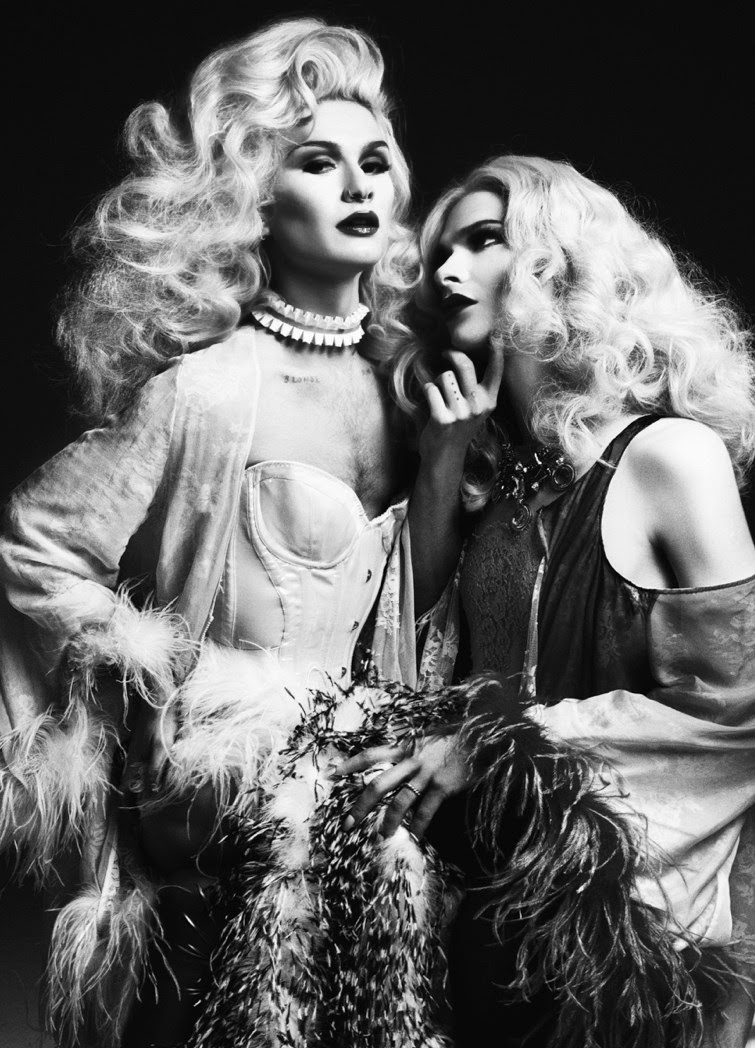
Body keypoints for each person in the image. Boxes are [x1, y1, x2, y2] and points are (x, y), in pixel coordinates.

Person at [0, 19, 453, 1048]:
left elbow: (424, 619)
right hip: (221, 810)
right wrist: (161, 674)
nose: (358, 186)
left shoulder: (411, 394)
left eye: (375, 161)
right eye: (318, 162)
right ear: (255, 195)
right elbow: (38, 544)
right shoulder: (208, 392)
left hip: (375, 806)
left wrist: (445, 466)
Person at [341, 155, 755, 1047]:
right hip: (488, 943)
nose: (447, 271)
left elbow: (737, 711)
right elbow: (400, 674)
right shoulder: (493, 488)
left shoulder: (666, 457)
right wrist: (441, 463)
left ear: (556, 258)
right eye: (440, 252)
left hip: (628, 959)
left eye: (484, 241)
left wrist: (496, 745)